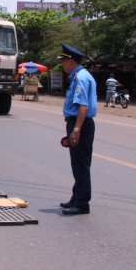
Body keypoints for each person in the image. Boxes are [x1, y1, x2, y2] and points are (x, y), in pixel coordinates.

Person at [58, 43, 97, 215]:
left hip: (80, 123)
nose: (61, 64)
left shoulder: (80, 78)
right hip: (77, 123)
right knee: (78, 163)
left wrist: (76, 129)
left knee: (80, 165)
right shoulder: (78, 76)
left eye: (63, 61)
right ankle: (76, 197)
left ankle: (82, 203)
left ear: (71, 61)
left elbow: (83, 106)